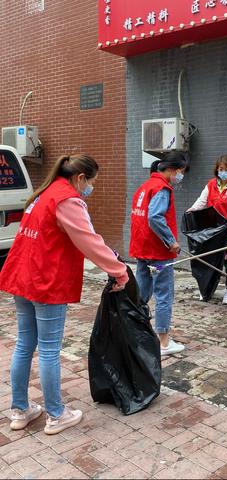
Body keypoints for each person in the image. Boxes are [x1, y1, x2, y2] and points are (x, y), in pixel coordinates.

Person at [0, 154, 128, 435]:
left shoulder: (43, 193)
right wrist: (118, 270)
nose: (90, 188)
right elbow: (89, 240)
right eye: (91, 182)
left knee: (24, 344)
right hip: (45, 282)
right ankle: (56, 414)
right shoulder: (67, 200)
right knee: (48, 349)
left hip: (22, 277)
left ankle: (19, 410)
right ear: (80, 178)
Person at [129, 151, 188, 355]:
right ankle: (163, 341)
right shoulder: (162, 188)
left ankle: (135, 331)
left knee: (141, 294)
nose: (180, 176)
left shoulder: (144, 187)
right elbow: (155, 217)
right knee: (164, 294)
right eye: (180, 172)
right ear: (172, 170)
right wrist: (170, 241)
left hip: (142, 249)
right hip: (158, 251)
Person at [188, 155, 227, 304]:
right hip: (212, 230)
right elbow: (202, 200)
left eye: (226, 169)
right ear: (217, 170)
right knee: (210, 259)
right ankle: (207, 289)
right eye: (221, 169)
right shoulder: (211, 184)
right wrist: (192, 209)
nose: (223, 172)